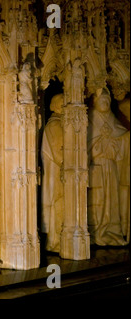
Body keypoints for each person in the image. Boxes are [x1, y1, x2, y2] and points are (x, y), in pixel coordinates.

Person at [87, 88, 129, 246]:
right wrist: (100, 141)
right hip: (95, 166)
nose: (105, 102)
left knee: (112, 201)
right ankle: (97, 232)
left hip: (110, 166)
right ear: (95, 101)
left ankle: (112, 232)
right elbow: (83, 141)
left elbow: (121, 133)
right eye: (102, 100)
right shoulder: (89, 118)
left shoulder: (112, 118)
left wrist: (113, 140)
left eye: (107, 100)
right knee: (98, 201)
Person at [41, 93, 64, 252]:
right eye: (63, 103)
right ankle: (56, 241)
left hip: (60, 172)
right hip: (58, 173)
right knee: (58, 204)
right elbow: (59, 154)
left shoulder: (61, 123)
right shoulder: (55, 125)